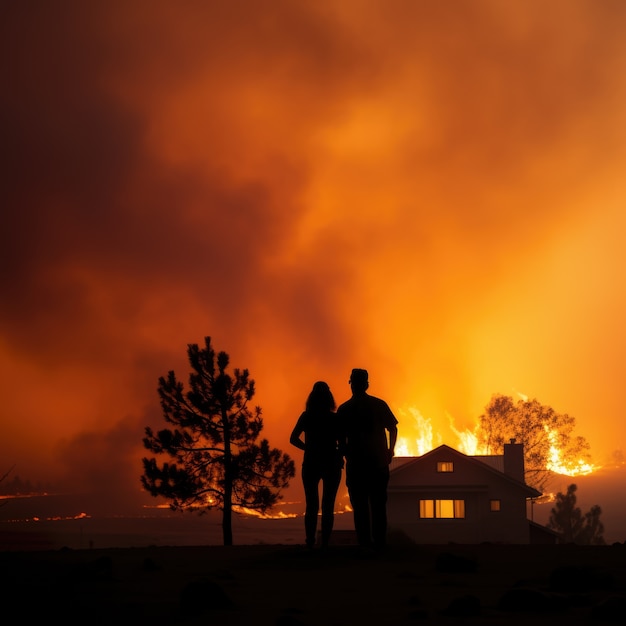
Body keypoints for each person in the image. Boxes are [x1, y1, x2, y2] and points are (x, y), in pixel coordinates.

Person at [337, 368, 398, 549]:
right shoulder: (379, 405)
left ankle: (365, 544)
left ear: (352, 384)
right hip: (378, 464)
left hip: (356, 465)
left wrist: (344, 454)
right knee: (378, 506)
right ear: (367, 384)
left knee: (361, 507)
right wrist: (390, 450)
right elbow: (393, 428)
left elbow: (340, 439)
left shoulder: (345, 409)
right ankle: (380, 544)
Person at [290, 381, 343, 549]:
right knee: (328, 505)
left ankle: (310, 541)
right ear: (329, 398)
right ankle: (325, 543)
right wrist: (339, 455)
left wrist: (308, 448)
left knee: (311, 504)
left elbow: (293, 438)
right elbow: (342, 442)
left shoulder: (306, 416)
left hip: (311, 462)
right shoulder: (334, 418)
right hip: (331, 462)